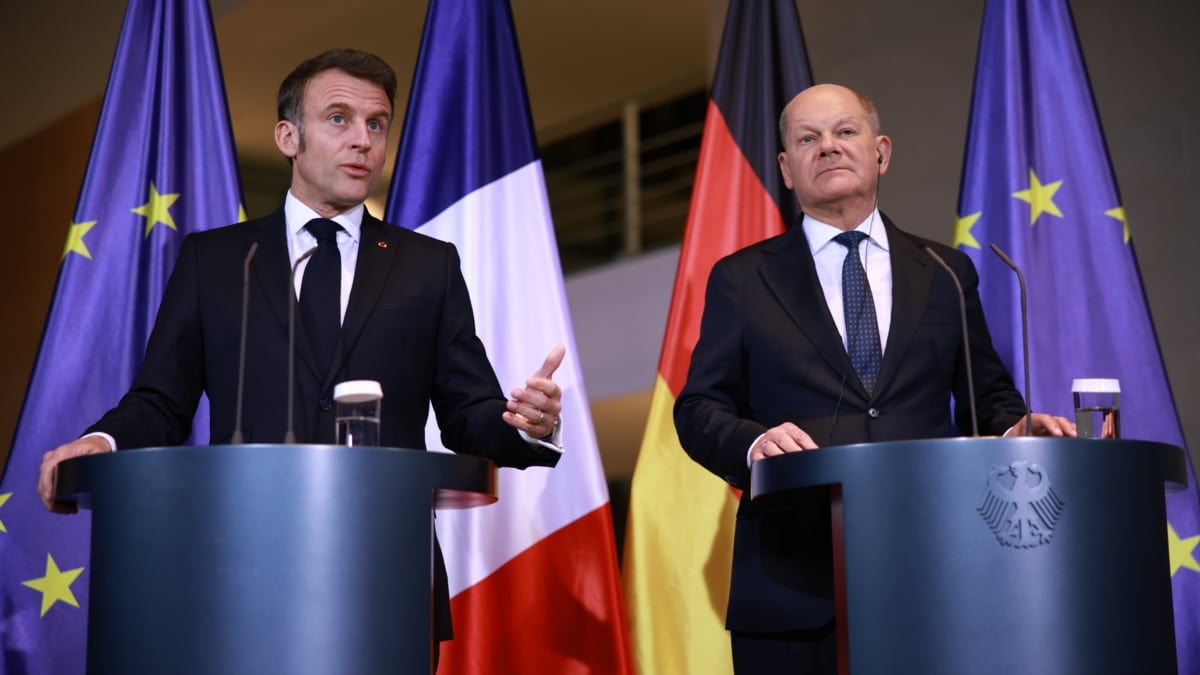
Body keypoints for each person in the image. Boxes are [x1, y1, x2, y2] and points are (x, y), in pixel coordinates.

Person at [37, 48, 564, 654]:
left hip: (387, 576)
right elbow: (161, 399)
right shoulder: (217, 260)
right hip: (241, 571)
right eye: (338, 118)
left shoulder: (429, 266)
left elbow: (469, 413)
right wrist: (98, 442)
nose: (363, 139)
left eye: (377, 123)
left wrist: (526, 425)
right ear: (289, 136)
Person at [673, 83, 1075, 674]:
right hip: (793, 582)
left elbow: (986, 396)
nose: (828, 147)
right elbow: (699, 407)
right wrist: (756, 446)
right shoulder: (741, 278)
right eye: (807, 139)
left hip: (936, 573)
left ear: (880, 151)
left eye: (845, 131)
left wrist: (1015, 428)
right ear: (786, 168)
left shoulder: (944, 270)